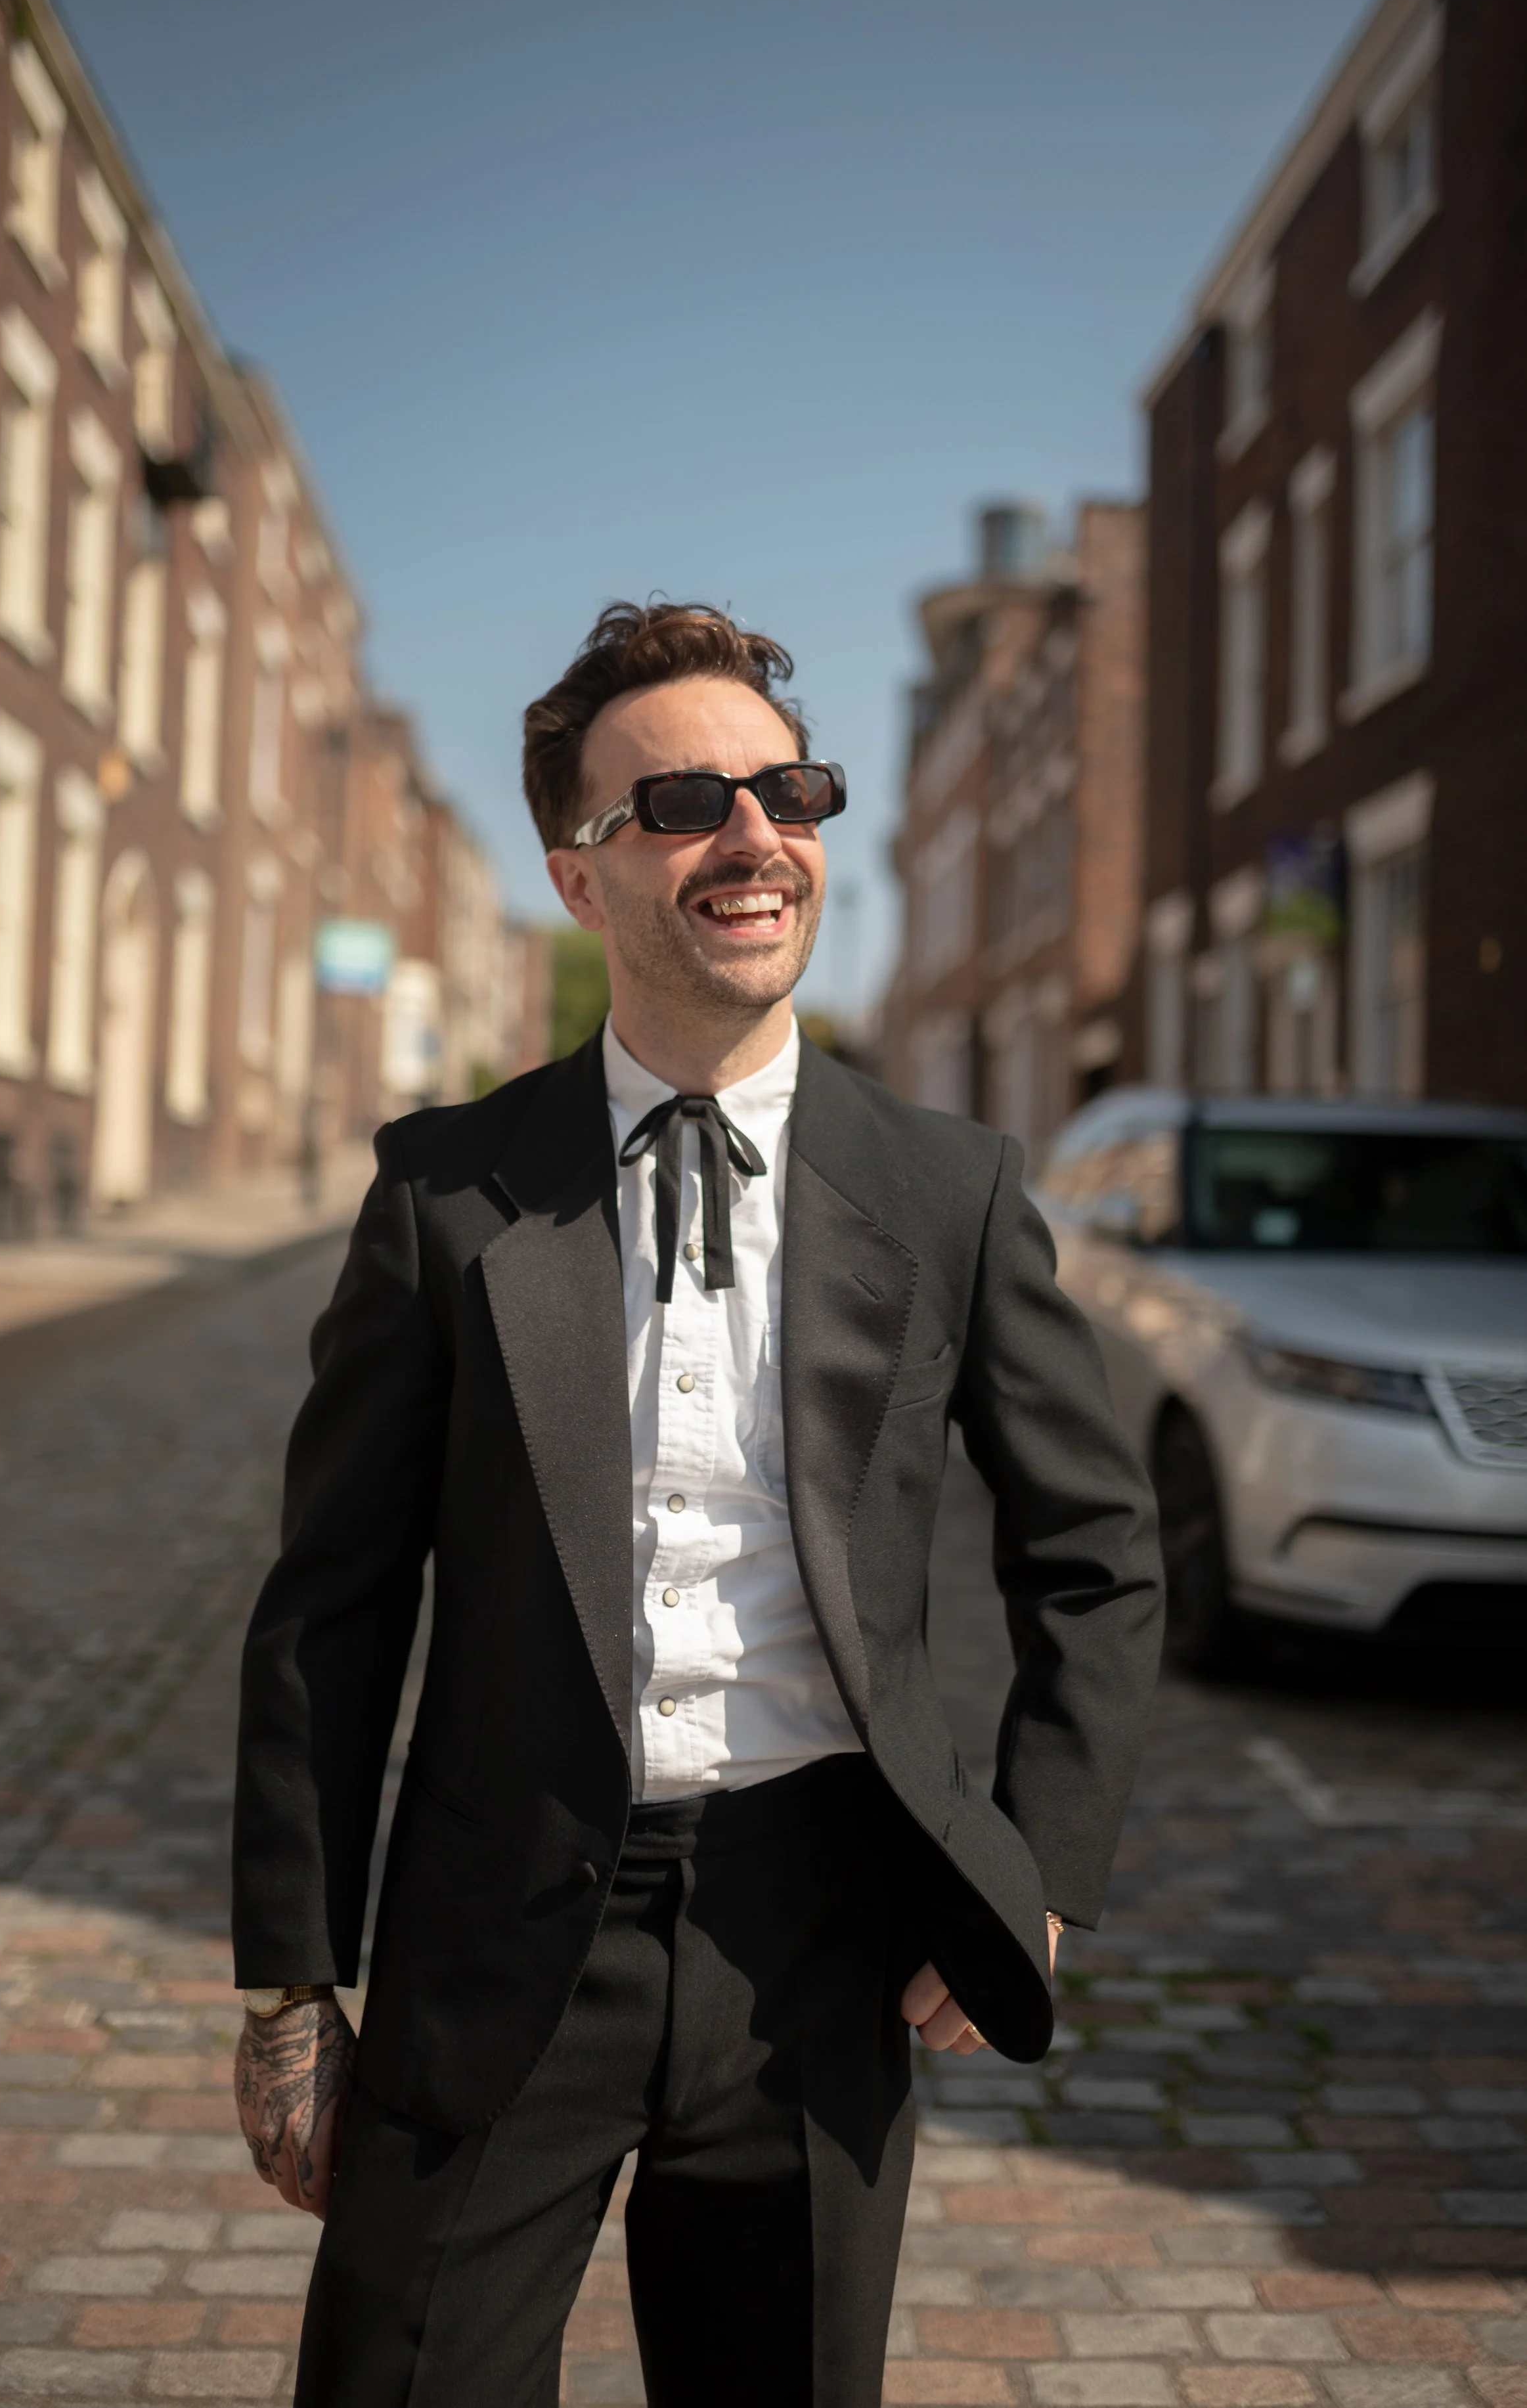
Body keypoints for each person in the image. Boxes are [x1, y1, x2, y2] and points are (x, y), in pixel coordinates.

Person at [231, 601, 1164, 2408]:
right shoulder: (445, 1195)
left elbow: (1095, 1553)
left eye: (785, 791)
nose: (752, 838)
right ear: (579, 882)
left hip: (821, 1947)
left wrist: (1038, 1864)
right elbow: (328, 1604)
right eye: (679, 804)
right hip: (492, 1931)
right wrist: (291, 1976)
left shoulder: (949, 1186)